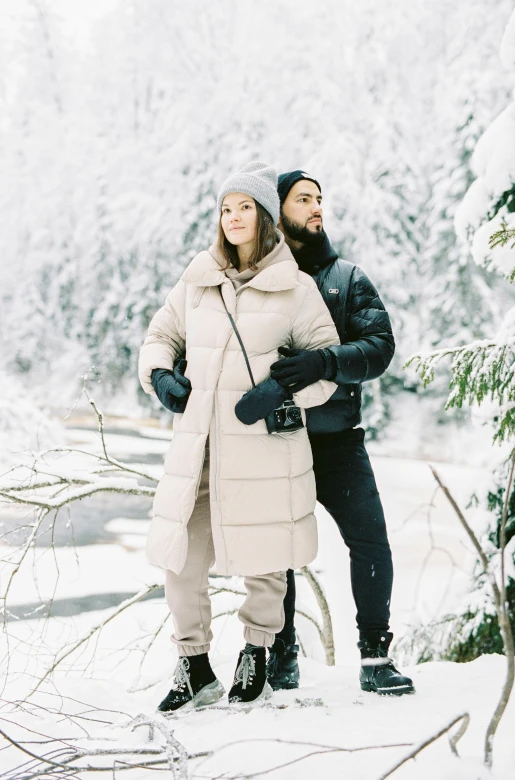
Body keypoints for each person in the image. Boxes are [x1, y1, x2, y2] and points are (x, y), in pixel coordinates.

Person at [138, 161, 340, 710]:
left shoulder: (295, 289)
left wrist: (283, 390)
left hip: (265, 449)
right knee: (178, 556)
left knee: (266, 556)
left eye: (244, 207)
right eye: (225, 208)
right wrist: (160, 375)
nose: (232, 217)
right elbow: (161, 334)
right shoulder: (197, 277)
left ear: (266, 218)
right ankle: (194, 663)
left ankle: (257, 651)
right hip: (198, 446)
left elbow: (326, 369)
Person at [265, 170, 415, 696]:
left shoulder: (348, 278)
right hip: (277, 440)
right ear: (277, 209)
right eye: (303, 199)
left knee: (371, 542)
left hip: (338, 440)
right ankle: (280, 657)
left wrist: (325, 362)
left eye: (319, 199)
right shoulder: (256, 279)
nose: (315, 207)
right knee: (275, 551)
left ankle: (376, 657)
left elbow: (380, 347)